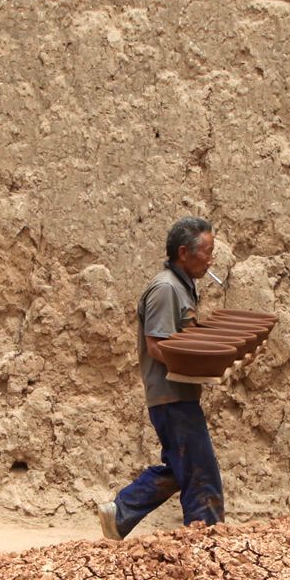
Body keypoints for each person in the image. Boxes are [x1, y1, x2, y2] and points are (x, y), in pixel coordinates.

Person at [100, 216, 225, 538]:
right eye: (207, 252)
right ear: (184, 253)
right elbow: (157, 346)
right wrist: (199, 361)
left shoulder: (183, 287)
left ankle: (120, 514)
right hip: (171, 396)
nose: (211, 259)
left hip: (179, 395)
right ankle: (206, 542)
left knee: (180, 467)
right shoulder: (166, 288)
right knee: (201, 474)